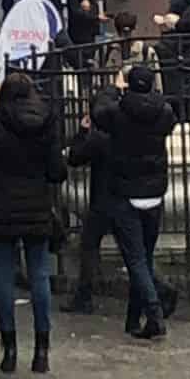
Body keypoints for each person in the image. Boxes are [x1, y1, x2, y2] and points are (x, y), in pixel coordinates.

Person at [0, 69, 66, 374]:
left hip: (0, 207)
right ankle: (41, 350)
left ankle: (9, 349)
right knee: (39, 275)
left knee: (4, 277)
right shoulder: (47, 124)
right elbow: (57, 171)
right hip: (37, 205)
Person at [93, 64, 177, 340]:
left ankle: (153, 312)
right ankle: (132, 318)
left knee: (136, 260)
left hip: (126, 191)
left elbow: (98, 113)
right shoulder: (164, 113)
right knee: (144, 258)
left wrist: (113, 88)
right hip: (154, 191)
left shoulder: (118, 113)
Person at [63, 89, 116, 312]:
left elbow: (74, 157)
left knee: (89, 245)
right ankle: (160, 289)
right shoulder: (125, 130)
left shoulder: (98, 138)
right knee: (133, 250)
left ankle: (84, 296)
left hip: (102, 201)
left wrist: (82, 131)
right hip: (125, 197)